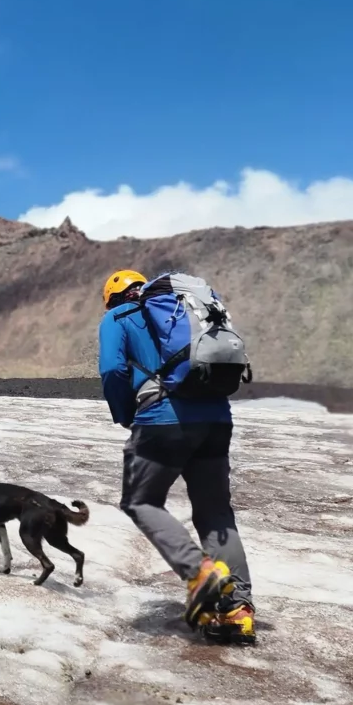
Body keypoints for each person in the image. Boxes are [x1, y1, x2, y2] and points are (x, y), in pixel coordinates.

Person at [99, 268, 255, 644]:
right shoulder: (191, 310)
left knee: (140, 501)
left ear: (112, 298)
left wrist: (124, 414)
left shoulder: (117, 317)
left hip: (162, 420)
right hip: (217, 418)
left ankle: (200, 575)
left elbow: (113, 369)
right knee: (215, 512)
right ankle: (238, 609)